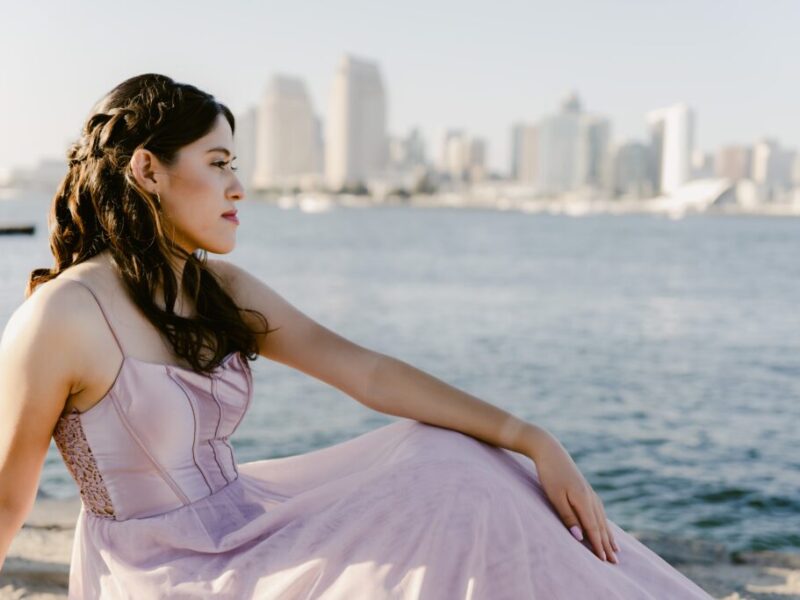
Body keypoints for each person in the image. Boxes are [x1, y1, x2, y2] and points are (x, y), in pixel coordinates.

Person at [0, 73, 712, 599]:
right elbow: (7, 499)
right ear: (148, 169)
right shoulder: (60, 317)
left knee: (454, 463)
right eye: (217, 165)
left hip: (249, 527)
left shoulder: (215, 290)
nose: (237, 188)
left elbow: (365, 373)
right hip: (163, 573)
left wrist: (529, 437)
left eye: (235, 167)